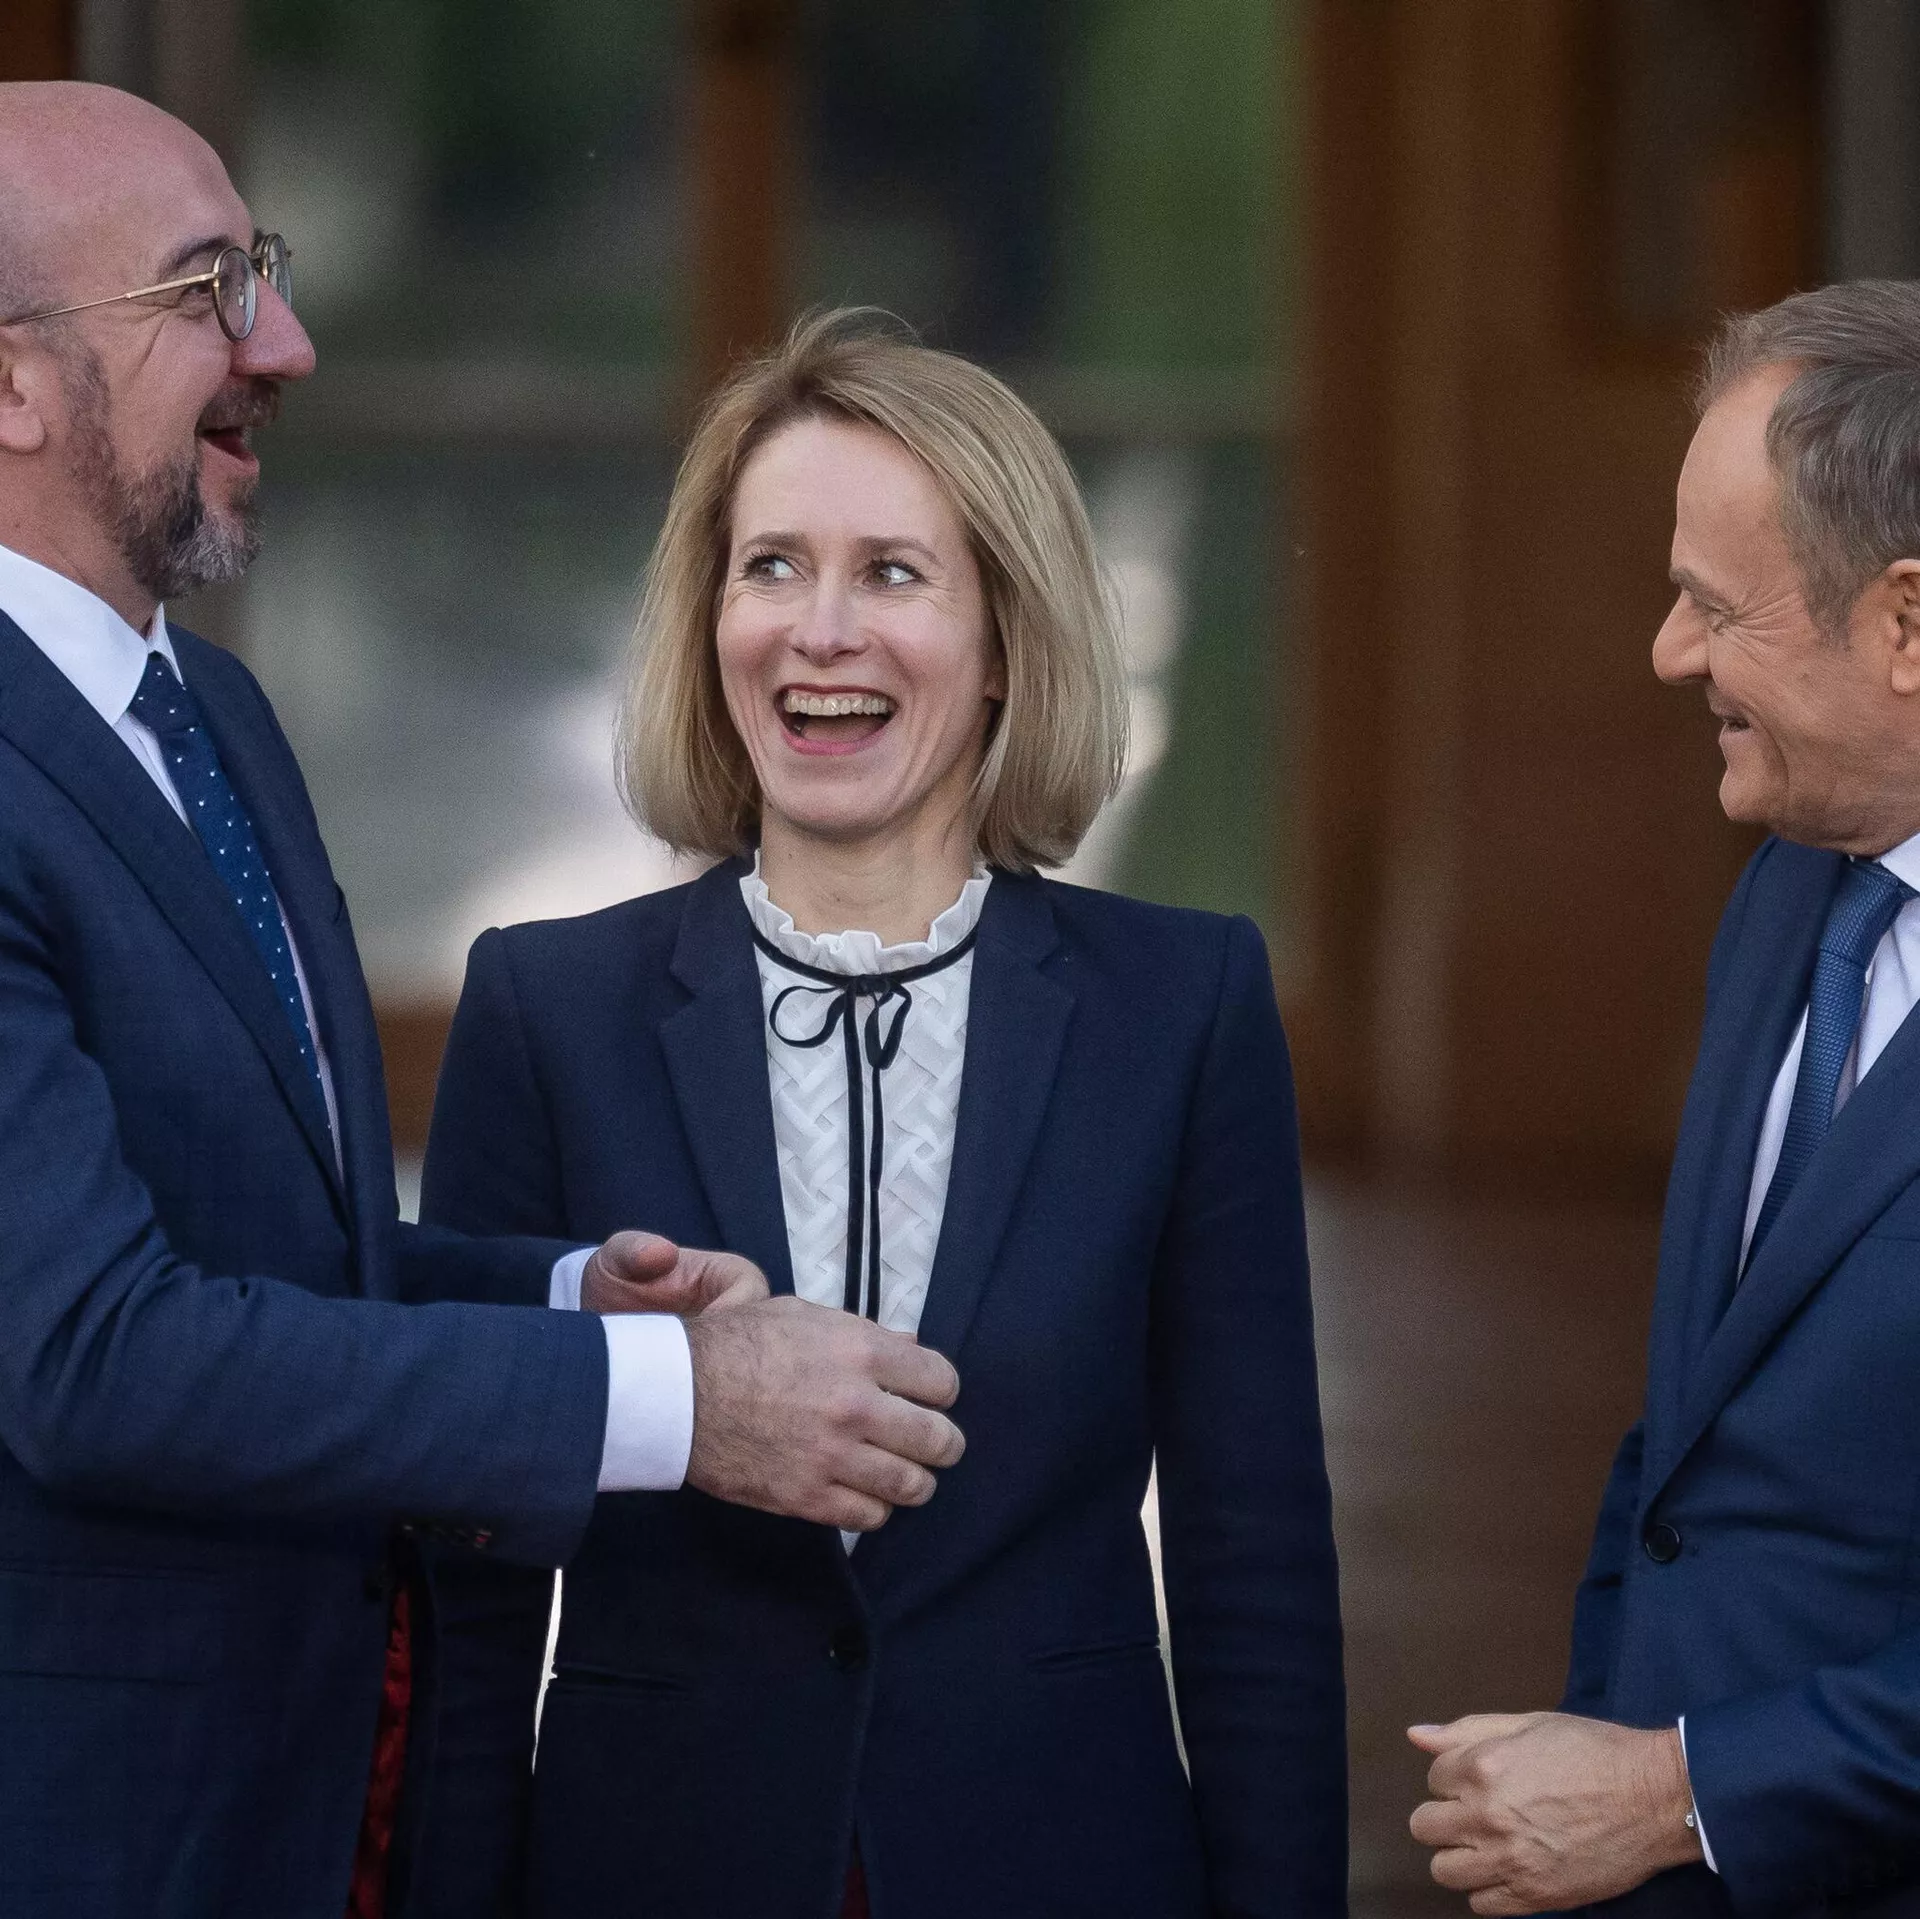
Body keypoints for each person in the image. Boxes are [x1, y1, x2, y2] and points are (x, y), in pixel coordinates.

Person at [0, 87, 963, 1919]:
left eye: (266, 272)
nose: (286, 343)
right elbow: (95, 1358)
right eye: (208, 289)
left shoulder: (209, 717)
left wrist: (558, 1291)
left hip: (292, 1812)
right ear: (10, 385)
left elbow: (260, 1245)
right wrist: (673, 1396)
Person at [415, 308, 1348, 1919]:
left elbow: (1251, 1552)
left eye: (893, 573)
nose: (820, 629)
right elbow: (473, 1560)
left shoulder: (1183, 1005)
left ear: (1006, 642)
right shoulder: (542, 1007)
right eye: (772, 566)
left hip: (1063, 1866)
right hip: (653, 1866)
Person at [1408, 279, 1920, 1917]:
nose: (1667, 650)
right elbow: (1687, 1455)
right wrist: (1602, 1786)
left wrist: (1674, 1794)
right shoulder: (1788, 894)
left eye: (1717, 606)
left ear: (1907, 625)